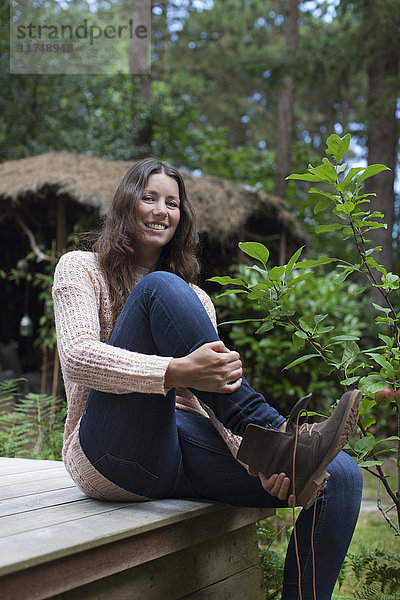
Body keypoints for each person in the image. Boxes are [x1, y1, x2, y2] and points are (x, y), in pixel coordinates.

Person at [52, 157, 363, 600]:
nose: (161, 209)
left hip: (180, 447)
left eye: (172, 202)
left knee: (343, 475)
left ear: (182, 217)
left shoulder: (195, 297)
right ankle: (277, 431)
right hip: (110, 452)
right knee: (159, 286)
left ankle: (276, 446)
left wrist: (257, 461)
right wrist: (175, 370)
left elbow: (211, 400)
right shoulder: (81, 268)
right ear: (126, 204)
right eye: (149, 197)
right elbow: (78, 358)